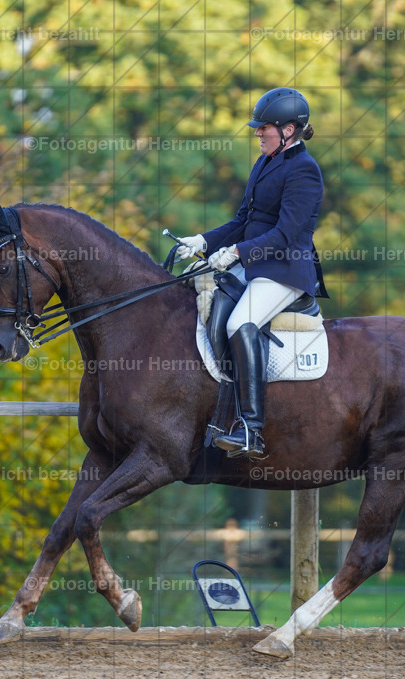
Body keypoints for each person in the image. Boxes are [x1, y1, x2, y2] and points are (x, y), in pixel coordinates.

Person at [175, 87, 328, 458]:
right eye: (257, 128)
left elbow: (286, 233)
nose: (257, 133)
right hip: (255, 264)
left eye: (264, 128)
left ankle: (251, 430)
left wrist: (236, 254)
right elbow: (243, 220)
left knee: (238, 324)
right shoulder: (265, 163)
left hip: (286, 271)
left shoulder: (305, 170)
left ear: (289, 130)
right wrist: (203, 242)